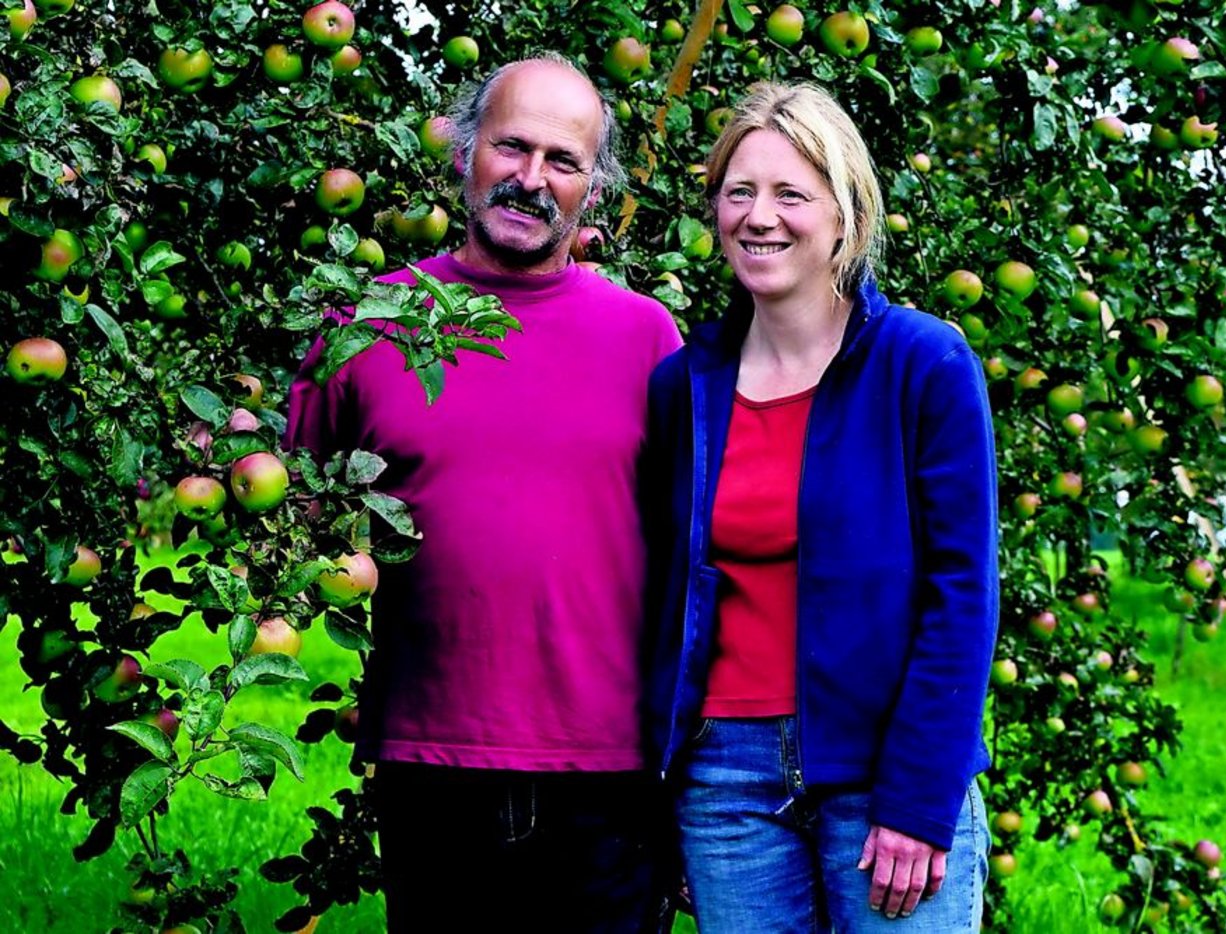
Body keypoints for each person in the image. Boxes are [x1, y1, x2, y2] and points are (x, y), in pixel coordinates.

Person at [286, 55, 682, 932]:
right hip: (433, 765)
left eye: (563, 160)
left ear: (592, 188)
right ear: (466, 152)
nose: (531, 178)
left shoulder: (647, 338)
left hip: (610, 775)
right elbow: (294, 524)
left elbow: (693, 551)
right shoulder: (369, 325)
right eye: (510, 146)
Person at [642, 82, 998, 932]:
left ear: (845, 215)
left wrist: (919, 796)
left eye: (790, 194)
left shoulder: (923, 364)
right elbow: (662, 596)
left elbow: (964, 592)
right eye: (740, 192)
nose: (760, 216)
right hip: (725, 781)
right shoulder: (684, 386)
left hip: (884, 769)